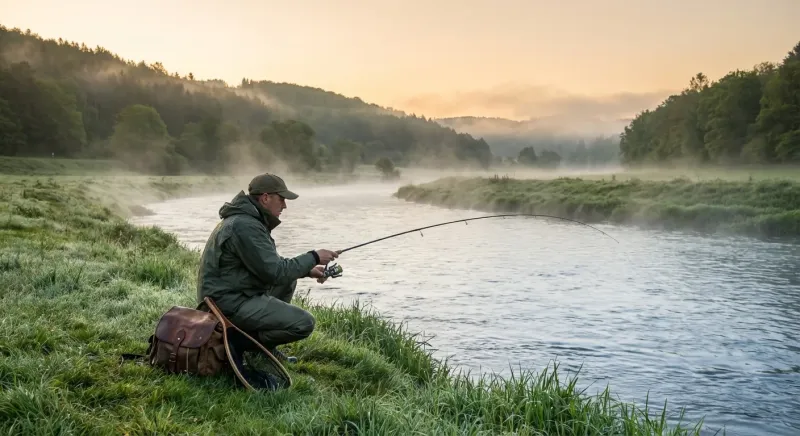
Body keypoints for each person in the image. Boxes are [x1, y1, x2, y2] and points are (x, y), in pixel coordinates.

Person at [196, 173, 339, 363]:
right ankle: (240, 343)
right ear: (265, 198)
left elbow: (268, 264)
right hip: (225, 305)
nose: (285, 206)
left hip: (232, 294)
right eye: (281, 199)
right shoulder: (245, 226)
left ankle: (264, 349)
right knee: (304, 323)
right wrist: (314, 256)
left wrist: (308, 270)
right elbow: (275, 272)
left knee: (289, 279)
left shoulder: (247, 220)